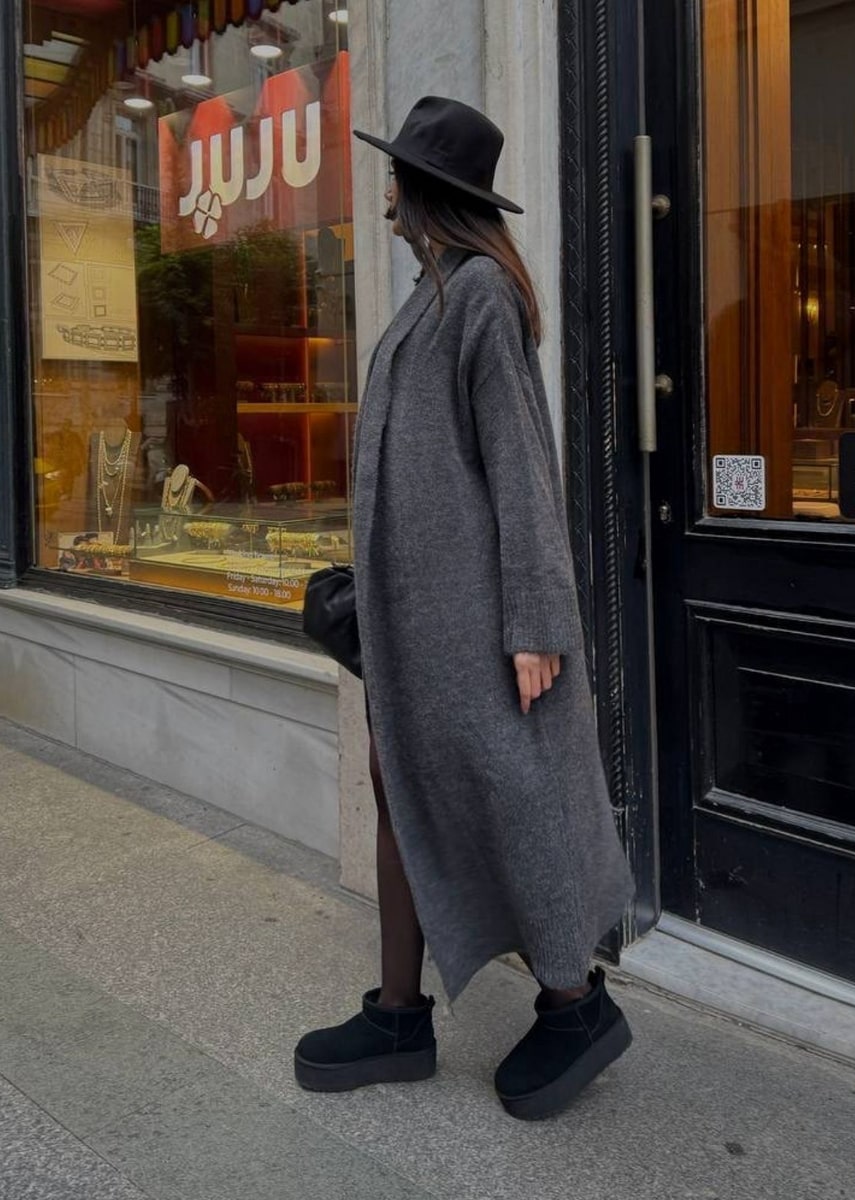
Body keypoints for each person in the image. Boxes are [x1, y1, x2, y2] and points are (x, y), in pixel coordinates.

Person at [294, 96, 634, 1121]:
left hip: (477, 626)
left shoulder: (481, 295)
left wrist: (536, 625)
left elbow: (524, 471)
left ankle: (574, 1004)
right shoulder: (433, 293)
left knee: (518, 802)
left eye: (396, 177)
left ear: (425, 192)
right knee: (400, 789)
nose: (385, 193)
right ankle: (400, 1014)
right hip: (414, 624)